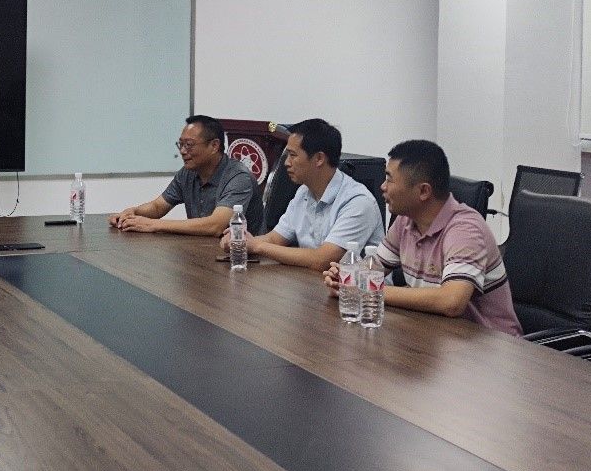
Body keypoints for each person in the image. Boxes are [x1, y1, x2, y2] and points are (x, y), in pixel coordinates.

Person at [324, 139, 522, 334]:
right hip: (435, 335)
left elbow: (452, 301)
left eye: (389, 179)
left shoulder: (465, 230)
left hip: (491, 344)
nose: (383, 186)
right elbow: (372, 270)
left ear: (424, 191)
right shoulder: (405, 221)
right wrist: (345, 279)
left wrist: (366, 288)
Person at [223, 118, 382, 271]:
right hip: (310, 283)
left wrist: (257, 246)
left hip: (360, 289)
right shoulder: (303, 192)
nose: (286, 163)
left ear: (319, 159)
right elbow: (274, 239)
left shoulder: (358, 202)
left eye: (293, 155)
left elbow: (323, 260)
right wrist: (240, 240)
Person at [110, 115, 261, 236]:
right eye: (180, 144)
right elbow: (158, 207)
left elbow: (215, 226)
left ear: (214, 146)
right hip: (201, 251)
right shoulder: (188, 173)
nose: (182, 151)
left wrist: (152, 224)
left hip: (243, 258)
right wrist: (132, 213)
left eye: (189, 145)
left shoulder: (238, 177)